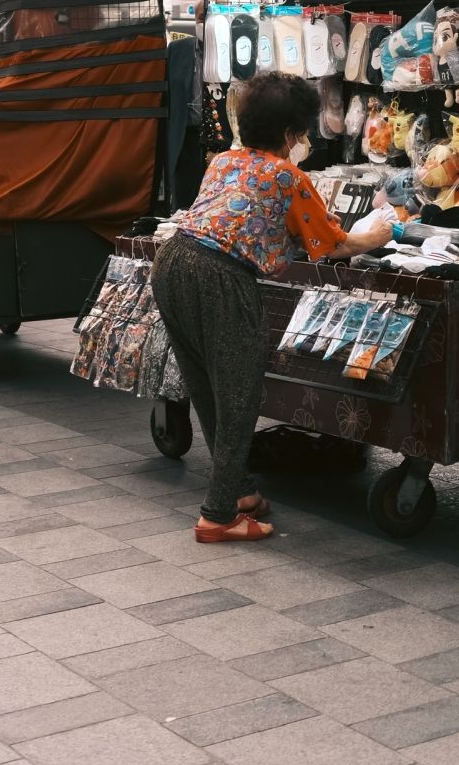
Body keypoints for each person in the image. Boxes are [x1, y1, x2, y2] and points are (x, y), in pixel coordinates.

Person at [151, 72, 393, 543]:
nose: (302, 143)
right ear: (289, 135)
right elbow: (332, 245)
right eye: (302, 134)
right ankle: (218, 516)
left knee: (208, 388)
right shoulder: (287, 175)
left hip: (172, 262)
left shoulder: (223, 160)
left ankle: (238, 490)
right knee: (239, 396)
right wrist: (377, 235)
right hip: (220, 275)